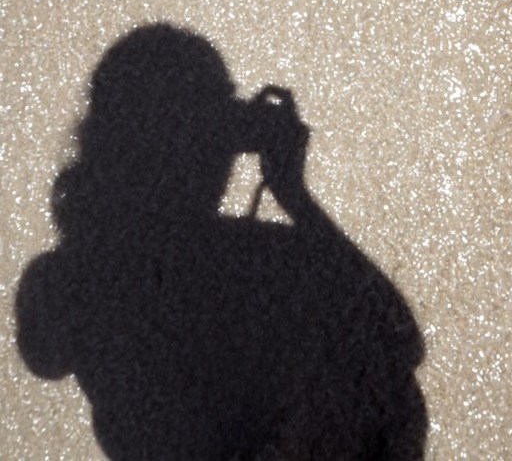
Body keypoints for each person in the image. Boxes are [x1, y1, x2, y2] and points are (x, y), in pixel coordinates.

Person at [16, 23, 427, 460]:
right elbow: (397, 336)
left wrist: (294, 196)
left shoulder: (77, 275)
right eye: (209, 127)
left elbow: (397, 338)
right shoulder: (244, 260)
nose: (222, 150)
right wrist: (296, 198)